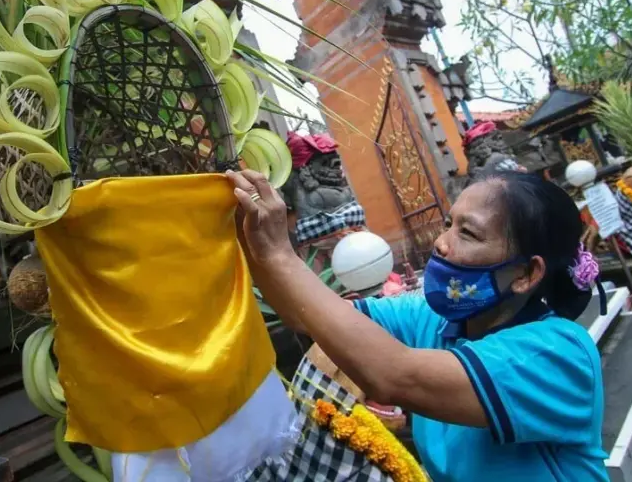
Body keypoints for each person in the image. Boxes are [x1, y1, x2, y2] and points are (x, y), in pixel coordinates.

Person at [227, 169, 609, 482]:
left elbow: (395, 376)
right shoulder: (435, 319)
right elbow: (305, 314)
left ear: (526, 273)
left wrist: (281, 253)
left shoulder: (557, 353)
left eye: (468, 233)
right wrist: (251, 238)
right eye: (448, 224)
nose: (442, 243)